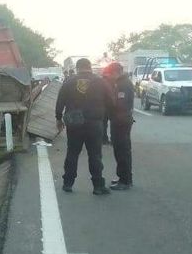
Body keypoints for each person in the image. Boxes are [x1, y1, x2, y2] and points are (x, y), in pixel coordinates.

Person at [56, 58, 114, 195]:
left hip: (74, 123)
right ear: (90, 67)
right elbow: (111, 102)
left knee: (72, 153)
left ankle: (68, 184)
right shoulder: (101, 82)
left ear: (77, 68)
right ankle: (98, 186)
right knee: (95, 155)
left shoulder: (69, 82)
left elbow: (60, 102)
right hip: (94, 123)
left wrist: (58, 119)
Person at [108, 62, 135, 190]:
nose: (109, 77)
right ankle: (122, 177)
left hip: (121, 121)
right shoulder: (121, 82)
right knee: (120, 151)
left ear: (115, 72)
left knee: (122, 151)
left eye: (110, 74)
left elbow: (120, 104)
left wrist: (108, 106)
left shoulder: (123, 84)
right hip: (120, 120)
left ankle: (125, 180)